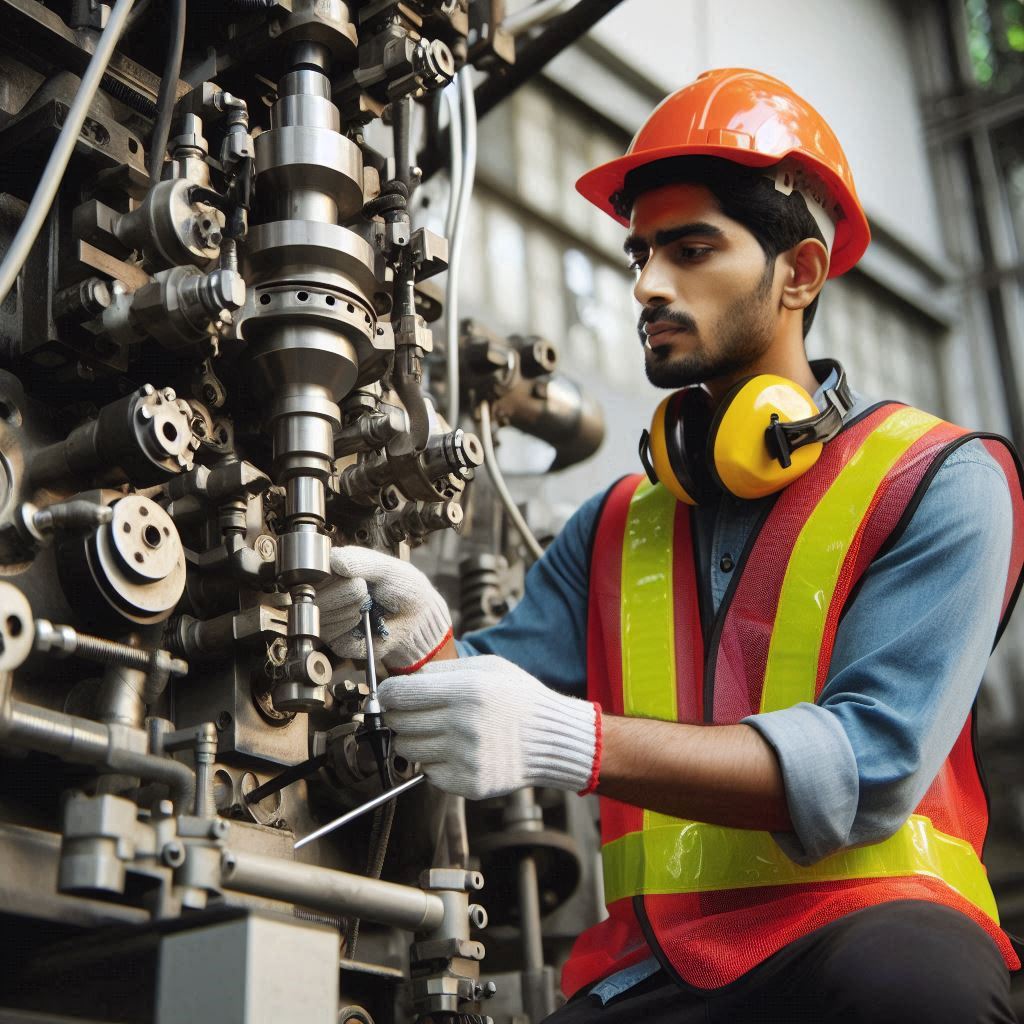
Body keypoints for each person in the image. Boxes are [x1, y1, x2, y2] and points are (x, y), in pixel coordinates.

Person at [320, 69, 1024, 1022]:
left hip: (871, 932)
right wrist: (410, 641)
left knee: (910, 994)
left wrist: (574, 739)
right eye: (641, 253)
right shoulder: (614, 524)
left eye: (692, 249)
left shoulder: (941, 479)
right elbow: (485, 698)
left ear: (801, 273)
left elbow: (869, 766)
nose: (648, 284)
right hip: (650, 973)